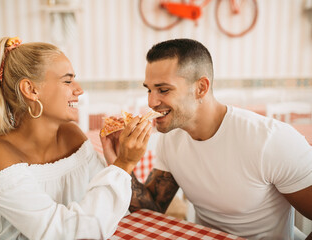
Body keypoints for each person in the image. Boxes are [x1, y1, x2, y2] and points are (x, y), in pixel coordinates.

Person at [128, 38, 312, 239]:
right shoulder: (171, 137)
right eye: (149, 89)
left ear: (201, 88)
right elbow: (151, 212)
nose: (151, 102)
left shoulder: (271, 140)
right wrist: (122, 163)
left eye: (163, 90)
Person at [0, 37, 152, 240]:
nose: (79, 90)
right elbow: (64, 233)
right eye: (67, 81)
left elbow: (103, 211)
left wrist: (114, 163)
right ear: (31, 90)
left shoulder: (71, 134)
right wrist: (122, 165)